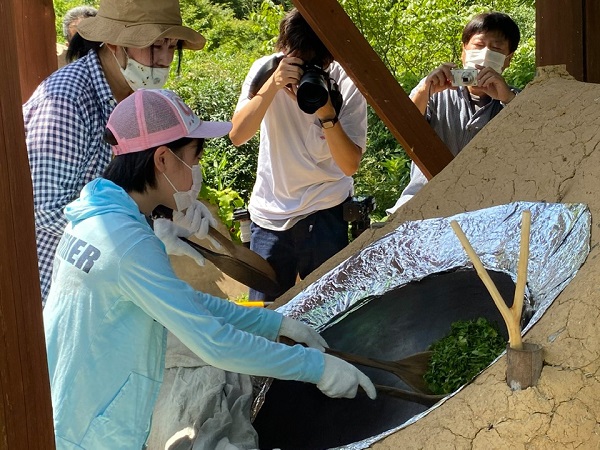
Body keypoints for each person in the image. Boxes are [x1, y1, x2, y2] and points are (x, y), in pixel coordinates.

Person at [43, 89, 376, 449]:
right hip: (90, 434)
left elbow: (185, 300)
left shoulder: (94, 216)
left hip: (68, 409)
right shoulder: (128, 244)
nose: (196, 169)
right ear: (163, 159)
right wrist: (316, 368)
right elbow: (215, 344)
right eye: (194, 155)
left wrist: (276, 323)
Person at [23, 0, 207, 304]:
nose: (164, 60)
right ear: (113, 44)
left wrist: (171, 208)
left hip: (96, 286)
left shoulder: (137, 98)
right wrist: (142, 230)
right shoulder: (66, 101)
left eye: (172, 47)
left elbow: (132, 186)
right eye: (154, 46)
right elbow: (44, 209)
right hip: (47, 291)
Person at [229, 8, 368, 301]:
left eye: (318, 64)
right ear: (283, 50)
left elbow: (349, 164)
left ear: (331, 58)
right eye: (299, 61)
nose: (308, 71)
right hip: (271, 213)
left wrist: (326, 113)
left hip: (327, 209)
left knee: (332, 311)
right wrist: (272, 86)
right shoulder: (265, 71)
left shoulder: (345, 80)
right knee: (267, 313)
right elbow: (238, 135)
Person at [386, 12, 521, 214]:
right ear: (463, 52)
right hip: (422, 207)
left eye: (496, 48)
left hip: (487, 212)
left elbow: (532, 143)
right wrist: (425, 90)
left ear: (507, 59)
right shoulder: (434, 91)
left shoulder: (518, 102)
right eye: (478, 45)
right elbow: (402, 126)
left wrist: (507, 99)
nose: (485, 54)